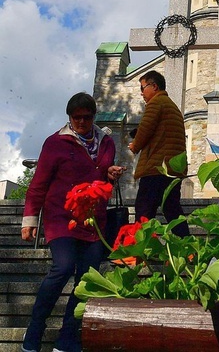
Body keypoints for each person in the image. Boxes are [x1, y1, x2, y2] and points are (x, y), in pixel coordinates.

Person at [21, 92, 122, 352]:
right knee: (63, 267)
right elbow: (38, 184)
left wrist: (110, 174)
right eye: (76, 118)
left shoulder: (107, 142)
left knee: (85, 281)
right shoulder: (55, 143)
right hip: (61, 218)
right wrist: (29, 219)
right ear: (69, 117)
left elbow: (103, 176)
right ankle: (35, 329)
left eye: (86, 118)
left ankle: (67, 340)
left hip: (93, 222)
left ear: (93, 116)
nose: (81, 122)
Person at [127, 71, 190, 236]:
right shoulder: (172, 106)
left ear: (154, 86)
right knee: (172, 210)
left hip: (156, 167)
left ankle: (139, 252)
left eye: (143, 88)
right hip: (173, 168)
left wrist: (135, 146)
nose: (142, 93)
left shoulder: (156, 103)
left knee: (144, 211)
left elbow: (146, 128)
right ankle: (187, 249)